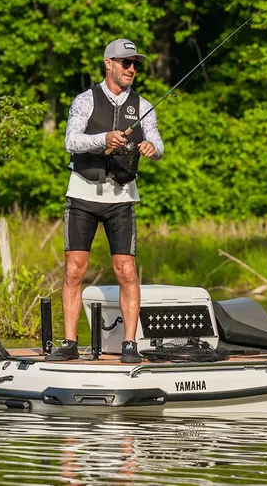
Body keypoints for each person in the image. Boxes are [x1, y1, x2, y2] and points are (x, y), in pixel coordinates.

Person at [46, 39, 164, 363]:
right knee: (74, 269)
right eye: (126, 62)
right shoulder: (85, 100)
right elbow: (71, 141)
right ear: (108, 63)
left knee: (126, 269)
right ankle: (70, 343)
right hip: (82, 193)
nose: (131, 69)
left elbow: (157, 142)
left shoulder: (143, 105)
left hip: (121, 197)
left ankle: (129, 345)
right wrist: (104, 139)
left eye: (135, 64)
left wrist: (152, 148)